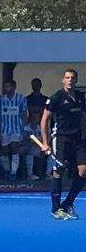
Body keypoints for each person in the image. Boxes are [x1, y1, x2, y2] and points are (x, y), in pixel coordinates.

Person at [38, 66, 86, 221]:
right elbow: (44, 120)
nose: (70, 80)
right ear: (63, 80)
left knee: (83, 172)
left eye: (72, 78)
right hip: (61, 138)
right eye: (67, 78)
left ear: (76, 80)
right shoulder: (56, 98)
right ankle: (55, 209)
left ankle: (67, 204)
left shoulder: (80, 97)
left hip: (78, 139)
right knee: (58, 171)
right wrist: (45, 143)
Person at [0, 78, 29, 181]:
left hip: (17, 128)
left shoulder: (21, 98)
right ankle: (7, 170)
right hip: (4, 129)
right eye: (5, 87)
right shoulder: (0, 99)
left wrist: (25, 127)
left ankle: (13, 172)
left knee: (14, 149)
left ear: (14, 87)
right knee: (4, 151)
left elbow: (24, 114)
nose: (6, 89)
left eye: (8, 86)